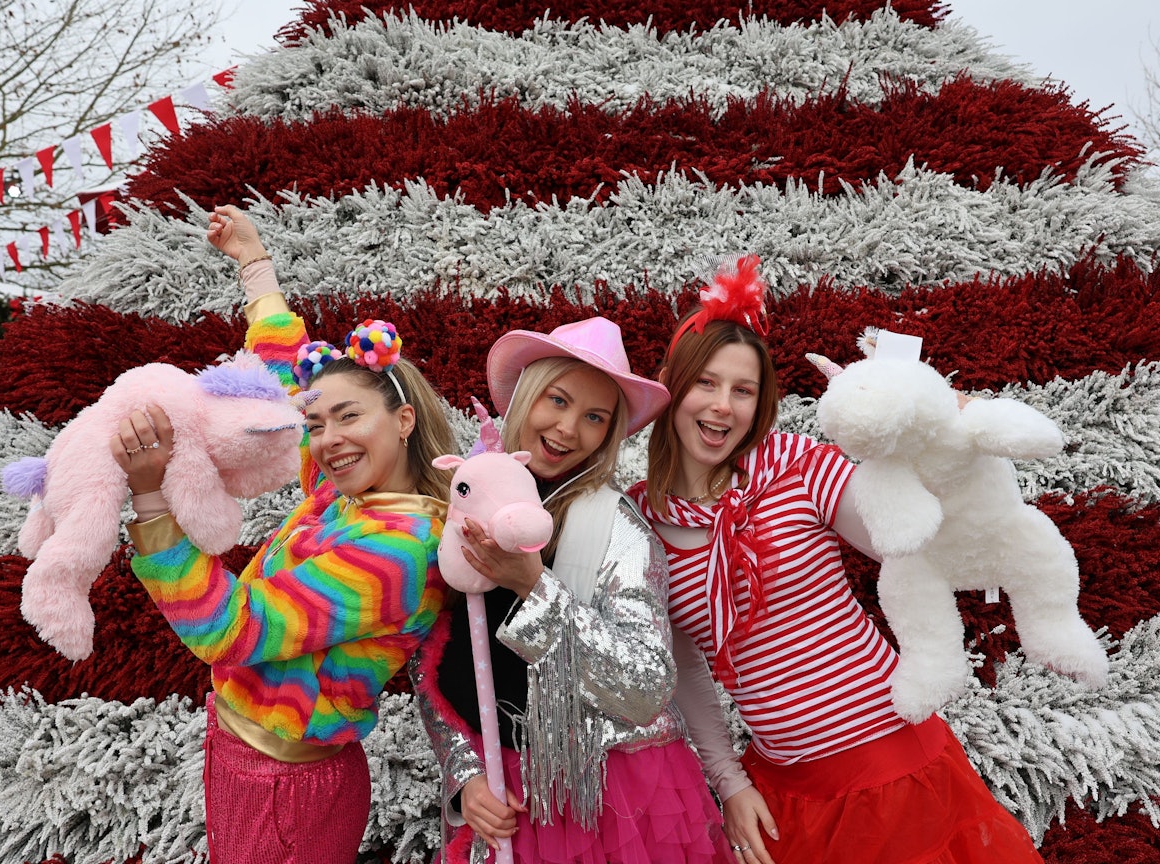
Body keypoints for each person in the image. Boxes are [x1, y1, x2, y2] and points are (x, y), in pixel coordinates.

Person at [629, 256, 1045, 864]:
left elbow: (905, 541)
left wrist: (936, 445)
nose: (723, 406)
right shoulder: (642, 521)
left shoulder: (794, 464)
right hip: (785, 782)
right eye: (706, 383)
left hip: (892, 759)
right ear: (671, 383)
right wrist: (731, 781)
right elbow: (686, 670)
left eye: (743, 390)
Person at [113, 205, 457, 864]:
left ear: (404, 419)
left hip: (285, 786)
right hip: (250, 758)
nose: (325, 440)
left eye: (348, 417)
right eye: (318, 423)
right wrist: (252, 259)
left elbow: (230, 630)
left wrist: (151, 497)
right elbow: (288, 368)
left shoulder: (401, 547)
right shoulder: (348, 493)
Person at [412, 317, 733, 863]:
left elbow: (646, 686)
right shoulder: (463, 503)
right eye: (557, 401)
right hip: (505, 793)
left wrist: (534, 587)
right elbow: (436, 658)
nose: (567, 429)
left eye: (593, 417)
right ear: (526, 397)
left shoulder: (616, 527)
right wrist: (465, 777)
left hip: (610, 797)